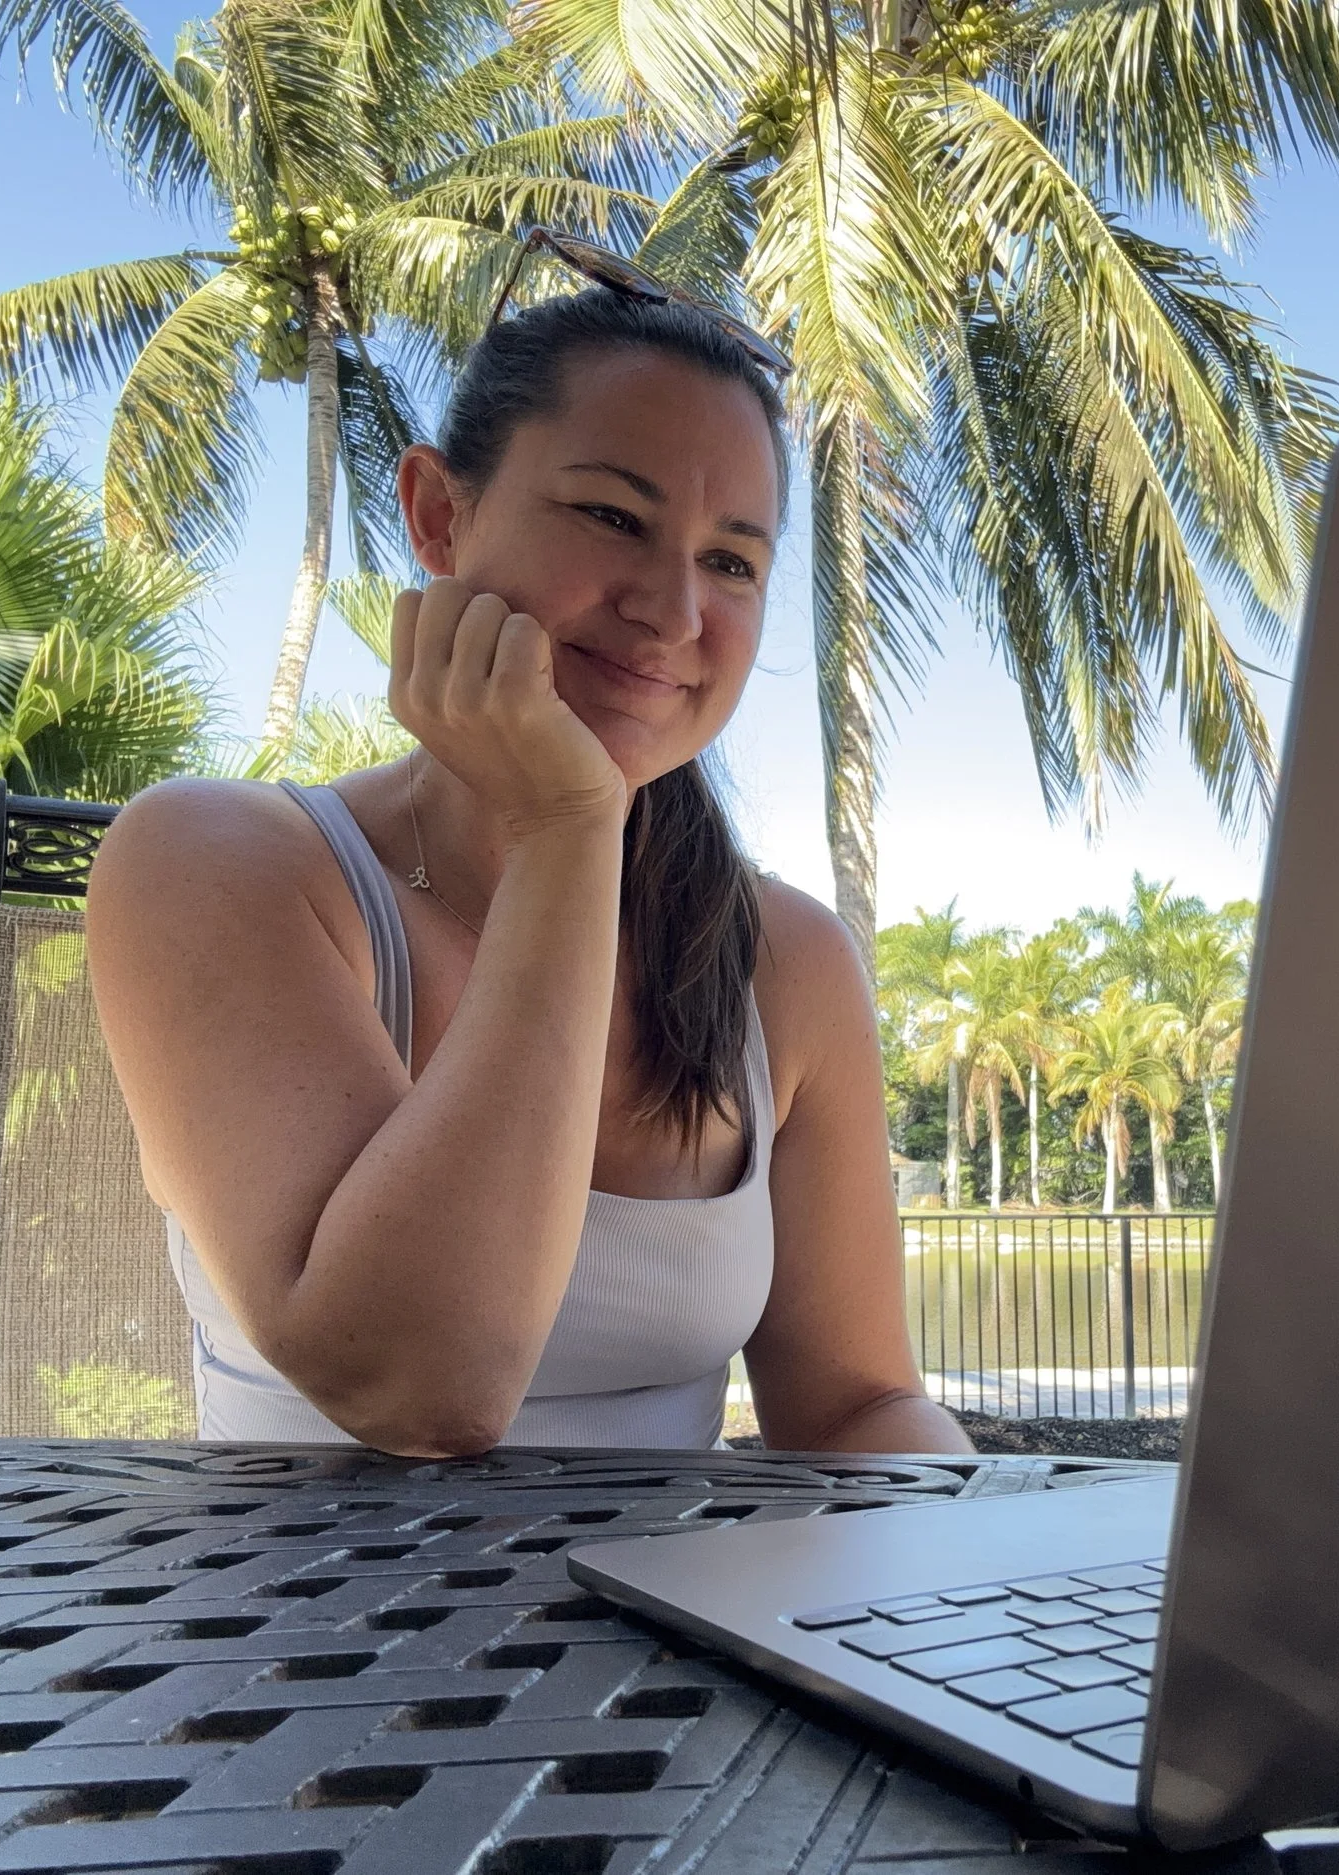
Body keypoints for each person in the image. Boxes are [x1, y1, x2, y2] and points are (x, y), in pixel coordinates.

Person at [87, 254, 969, 1459]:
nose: (672, 609)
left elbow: (857, 1402)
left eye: (731, 562)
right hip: (298, 1637)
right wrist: (567, 827)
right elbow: (419, 1387)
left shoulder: (785, 962)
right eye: (614, 517)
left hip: (669, 1640)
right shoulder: (216, 864)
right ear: (439, 516)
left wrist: (963, 1589)